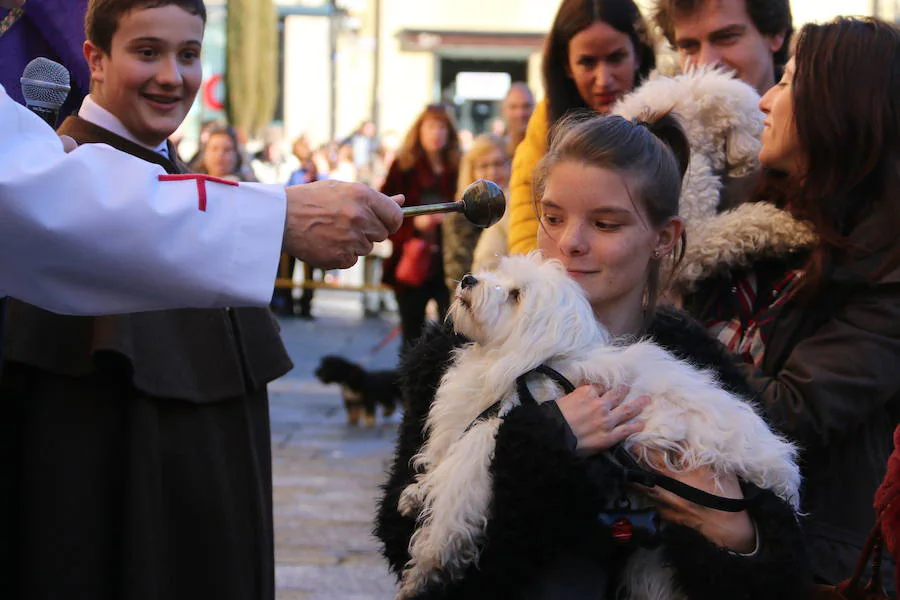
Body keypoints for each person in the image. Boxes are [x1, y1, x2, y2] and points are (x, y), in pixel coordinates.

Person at [376, 113, 810, 599]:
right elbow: (405, 543)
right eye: (553, 217)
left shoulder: (690, 359)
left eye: (605, 223)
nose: (569, 243)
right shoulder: (461, 348)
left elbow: (779, 562)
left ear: (663, 238)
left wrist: (732, 530)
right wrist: (540, 442)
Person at [2, 2, 285, 599]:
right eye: (147, 51)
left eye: (187, 55)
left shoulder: (185, 185)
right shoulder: (55, 209)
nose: (171, 77)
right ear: (95, 60)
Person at [679, 17, 900, 592]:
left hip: (806, 555)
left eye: (791, 80)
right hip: (696, 531)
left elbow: (793, 408)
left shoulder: (888, 266)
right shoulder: (757, 225)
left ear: (840, 106)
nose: (768, 98)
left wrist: (666, 334)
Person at [506, 0, 656, 255]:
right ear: (566, 65)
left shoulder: (666, 110)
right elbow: (526, 226)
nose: (603, 79)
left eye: (616, 58)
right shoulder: (545, 121)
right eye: (588, 62)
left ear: (638, 54)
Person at [381, 103, 460, 349]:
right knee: (411, 337)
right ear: (420, 130)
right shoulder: (404, 165)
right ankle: (409, 387)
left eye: (441, 127)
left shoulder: (458, 165)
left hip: (449, 262)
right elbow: (385, 209)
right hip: (413, 260)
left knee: (453, 335)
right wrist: (415, 223)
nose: (436, 133)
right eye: (431, 127)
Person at [652, 0, 792, 95]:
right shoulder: (659, 135)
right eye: (689, 46)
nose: (705, 63)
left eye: (726, 38)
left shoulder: (811, 127)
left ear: (776, 34)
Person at [441, 133, 510, 295]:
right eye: (484, 166)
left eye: (499, 164)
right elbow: (457, 277)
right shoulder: (459, 217)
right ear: (471, 171)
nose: (492, 172)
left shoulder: (521, 208)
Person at [500, 82, 534, 156]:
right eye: (513, 107)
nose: (520, 113)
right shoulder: (496, 151)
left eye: (526, 106)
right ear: (503, 110)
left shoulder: (548, 149)